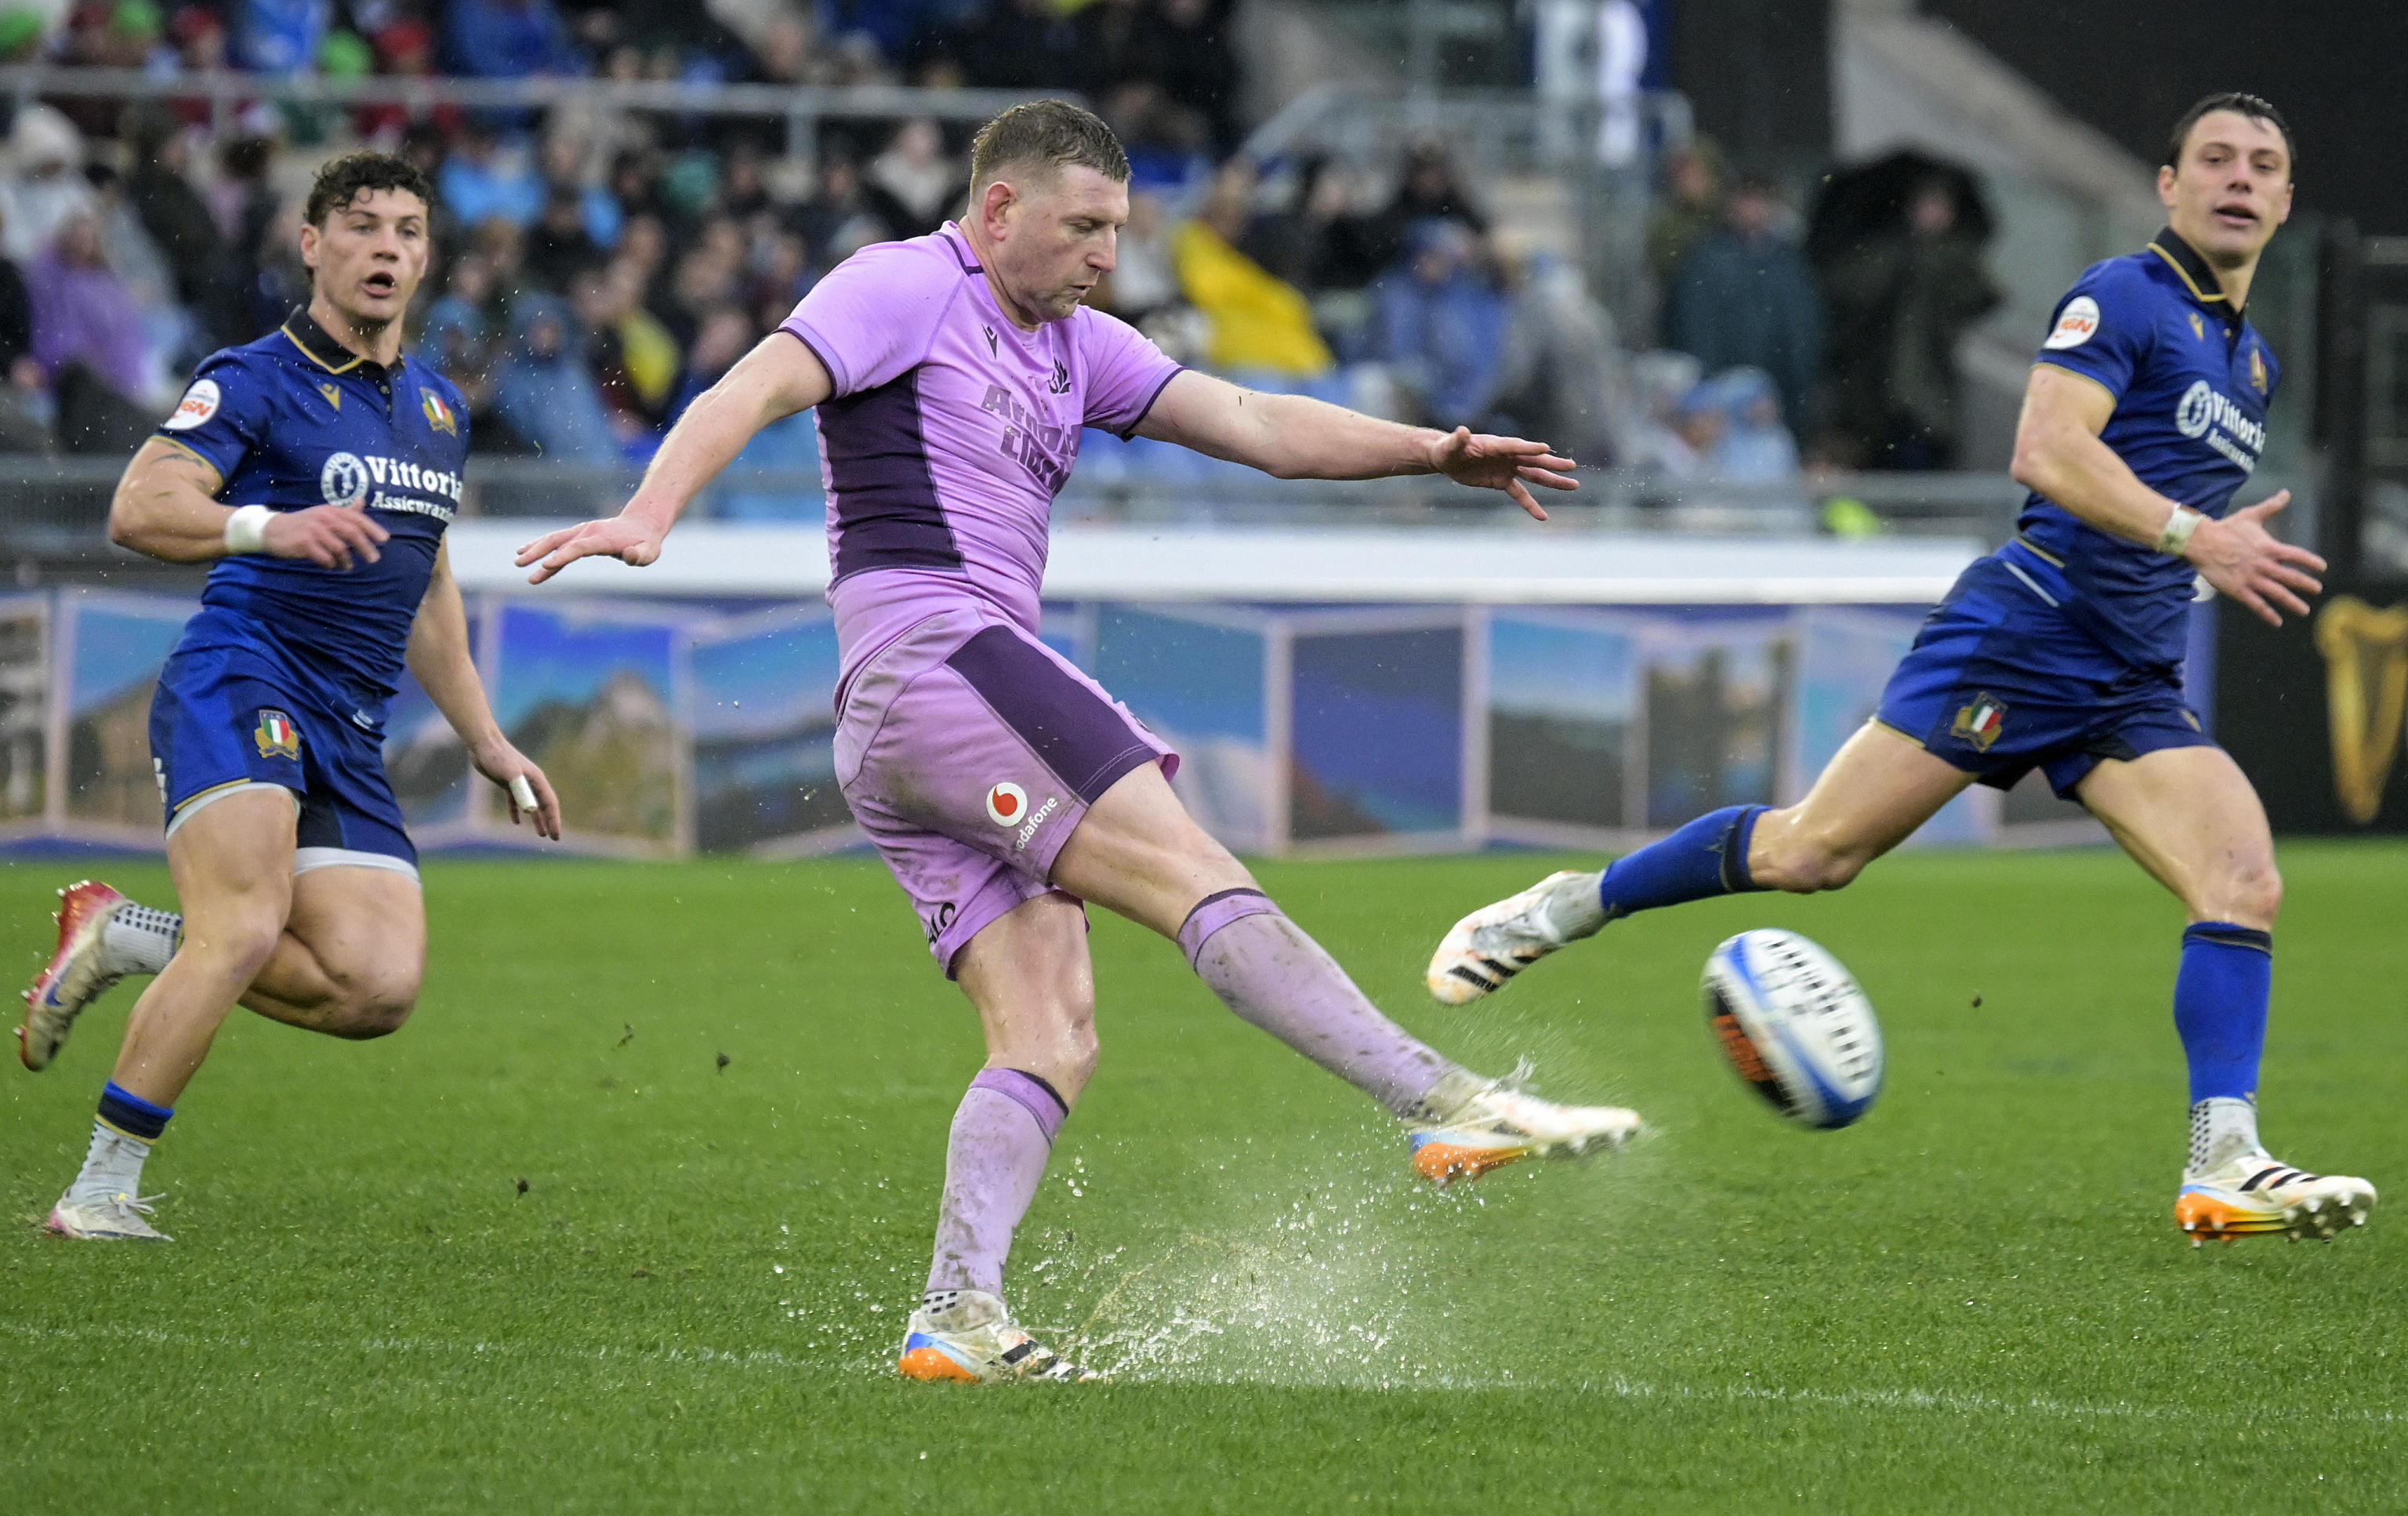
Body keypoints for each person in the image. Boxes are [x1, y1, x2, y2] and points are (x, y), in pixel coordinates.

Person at [517, 100, 1637, 1384]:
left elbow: (1258, 425)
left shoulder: (1076, 344)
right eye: (1083, 226)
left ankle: (958, 1313)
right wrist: (651, 509)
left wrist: (1431, 451)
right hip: (942, 661)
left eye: (1116, 228)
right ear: (999, 208)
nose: (1107, 254)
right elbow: (757, 380)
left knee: (1049, 1029)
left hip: (900, 717)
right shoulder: (902, 284)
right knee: (1196, 874)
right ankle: (1439, 1101)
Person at [1426, 96, 2377, 1246]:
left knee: (2244, 880)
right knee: (1810, 853)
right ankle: (1564, 905)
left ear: (2284, 200)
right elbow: (2047, 451)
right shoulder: (2123, 294)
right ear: (2168, 185)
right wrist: (2197, 537)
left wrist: (2193, 554)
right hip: (2028, 632)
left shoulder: (2252, 356)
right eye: (2215, 159)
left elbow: (2150, 487)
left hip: (2129, 673)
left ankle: (2225, 1159)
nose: (2240, 177)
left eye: (2264, 165)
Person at [17, 152, 563, 1242]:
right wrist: (266, 524)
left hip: (350, 725)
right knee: (247, 924)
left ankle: (125, 938)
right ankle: (99, 1193)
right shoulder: (255, 375)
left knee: (374, 989)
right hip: (244, 675)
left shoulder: (439, 410)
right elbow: (141, 504)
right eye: (361, 226)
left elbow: (429, 583)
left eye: (408, 230)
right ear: (311, 245)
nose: (386, 248)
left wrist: (490, 740)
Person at [1661, 175, 1822, 444]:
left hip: (1777, 405)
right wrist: (1715, 395)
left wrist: (1784, 397)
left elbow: (1801, 335)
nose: (1752, 209)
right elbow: (1693, 330)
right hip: (1718, 403)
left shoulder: (1788, 263)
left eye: (1760, 201)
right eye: (1745, 200)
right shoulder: (1705, 260)